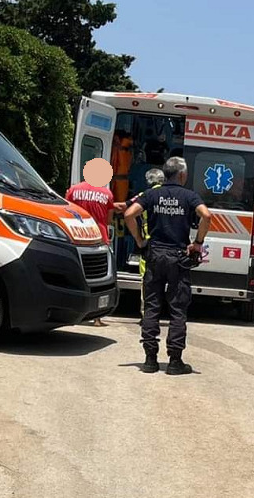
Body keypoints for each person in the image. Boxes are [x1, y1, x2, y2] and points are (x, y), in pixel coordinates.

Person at [124, 157, 211, 375]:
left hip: (154, 256)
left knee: (152, 306)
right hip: (178, 257)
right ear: (181, 175)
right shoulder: (189, 196)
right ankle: (175, 361)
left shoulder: (151, 194)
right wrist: (198, 243)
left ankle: (150, 359)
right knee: (177, 309)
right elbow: (206, 216)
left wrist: (140, 241)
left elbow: (128, 214)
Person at [65, 176, 115, 327]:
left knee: (74, 276)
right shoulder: (107, 194)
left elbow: (66, 210)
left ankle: (71, 313)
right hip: (99, 237)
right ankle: (97, 318)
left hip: (76, 235)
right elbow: (109, 219)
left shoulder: (73, 190)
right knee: (99, 279)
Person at [115, 168, 165, 316]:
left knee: (148, 282)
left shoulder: (144, 195)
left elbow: (125, 209)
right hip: (169, 245)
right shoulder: (173, 195)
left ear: (148, 181)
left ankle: (147, 314)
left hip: (149, 245)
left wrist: (138, 239)